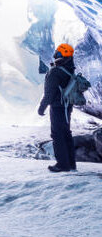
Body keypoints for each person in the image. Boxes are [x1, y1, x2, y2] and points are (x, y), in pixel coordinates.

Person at [38, 43, 76, 173]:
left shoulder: (55, 72)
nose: (55, 55)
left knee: (57, 134)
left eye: (58, 53)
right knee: (66, 133)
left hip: (58, 107)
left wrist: (41, 108)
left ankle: (62, 165)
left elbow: (49, 93)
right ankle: (71, 164)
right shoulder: (70, 69)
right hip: (67, 106)